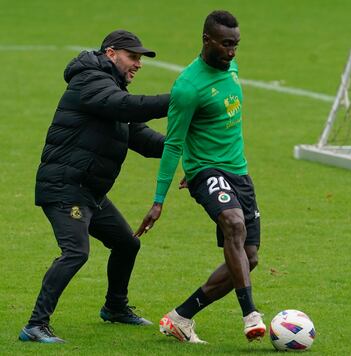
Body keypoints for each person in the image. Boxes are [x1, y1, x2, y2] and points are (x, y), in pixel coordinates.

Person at [19, 29, 170, 343]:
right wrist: (177, 100)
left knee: (127, 244)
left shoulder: (112, 89)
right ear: (111, 53)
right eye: (133, 57)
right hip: (65, 187)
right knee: (75, 252)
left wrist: (182, 146)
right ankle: (35, 325)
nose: (138, 64)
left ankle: (115, 308)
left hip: (88, 191)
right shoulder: (90, 81)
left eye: (141, 59)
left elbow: (141, 138)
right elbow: (126, 107)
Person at [135, 10, 266, 344]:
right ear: (207, 40)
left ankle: (181, 317)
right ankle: (250, 314)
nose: (232, 52)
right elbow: (174, 143)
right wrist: (159, 199)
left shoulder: (231, 67)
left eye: (236, 45)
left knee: (249, 259)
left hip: (239, 172)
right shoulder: (188, 87)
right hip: (207, 171)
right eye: (226, 45)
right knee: (233, 222)